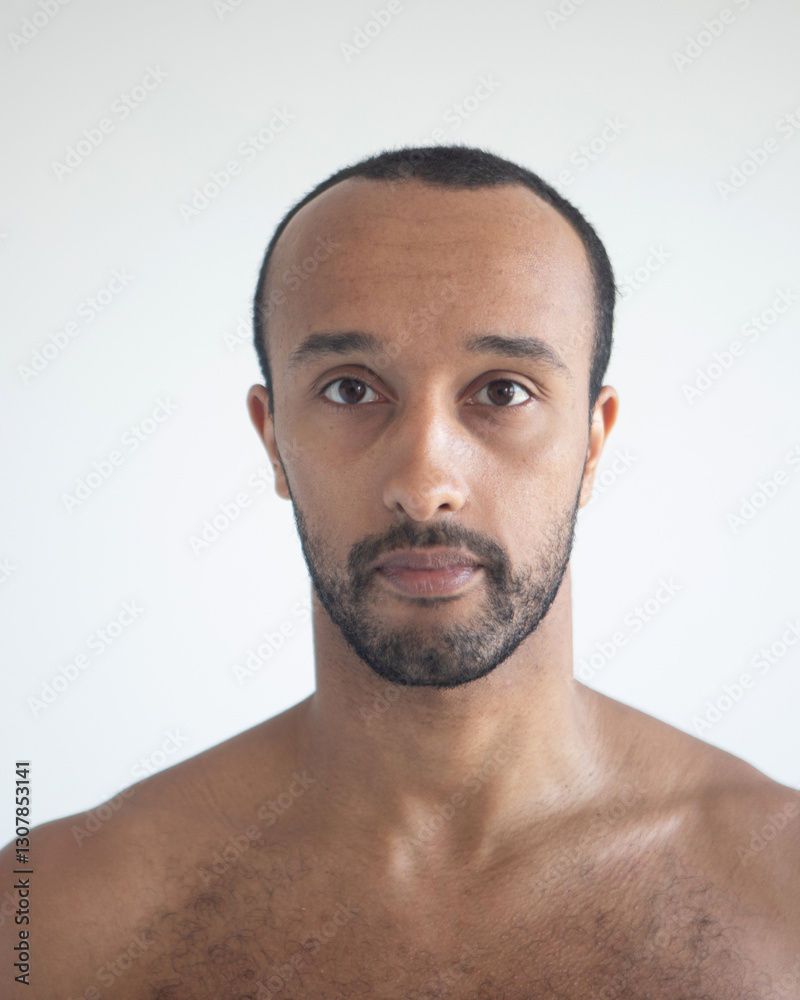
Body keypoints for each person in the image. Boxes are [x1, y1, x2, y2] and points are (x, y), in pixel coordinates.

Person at [4, 144, 799, 999]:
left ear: (594, 441)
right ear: (273, 439)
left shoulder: (780, 890)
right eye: (352, 390)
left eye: (502, 392)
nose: (425, 483)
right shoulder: (47, 914)